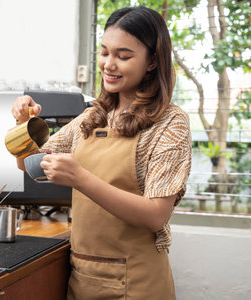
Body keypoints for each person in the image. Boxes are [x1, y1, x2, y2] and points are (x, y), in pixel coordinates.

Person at [11, 6, 192, 300]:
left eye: (123, 56)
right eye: (105, 52)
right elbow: (30, 165)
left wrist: (81, 179)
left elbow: (156, 216)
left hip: (138, 284)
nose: (109, 64)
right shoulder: (93, 116)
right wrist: (23, 123)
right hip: (83, 277)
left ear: (152, 61)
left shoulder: (170, 123)